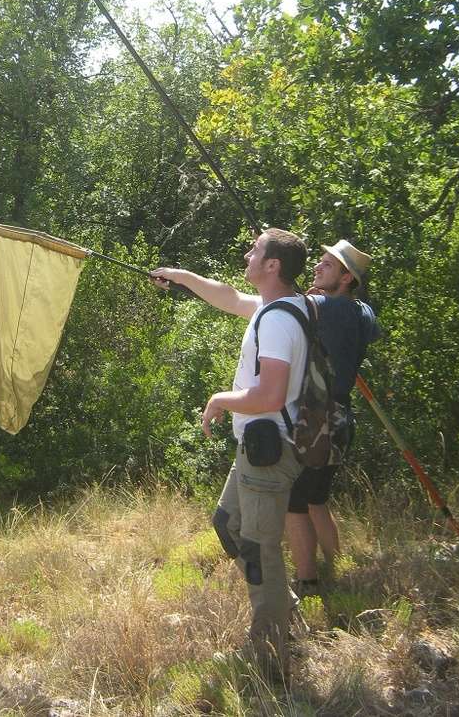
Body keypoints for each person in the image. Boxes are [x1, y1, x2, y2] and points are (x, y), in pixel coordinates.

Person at [151, 228, 308, 682]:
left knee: (259, 550)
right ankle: (282, 608)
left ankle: (267, 655)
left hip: (269, 450)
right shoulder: (281, 307)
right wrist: (181, 277)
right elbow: (228, 297)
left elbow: (269, 394)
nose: (247, 254)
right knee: (228, 525)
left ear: (273, 265)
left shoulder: (277, 320)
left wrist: (221, 398)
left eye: (255, 250)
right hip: (258, 450)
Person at [285, 239, 380, 596]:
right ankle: (333, 568)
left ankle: (308, 582)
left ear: (345, 279)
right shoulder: (360, 311)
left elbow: (287, 304)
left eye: (326, 265)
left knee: (294, 503)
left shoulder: (332, 308)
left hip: (320, 422)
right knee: (316, 500)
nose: (316, 268)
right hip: (340, 419)